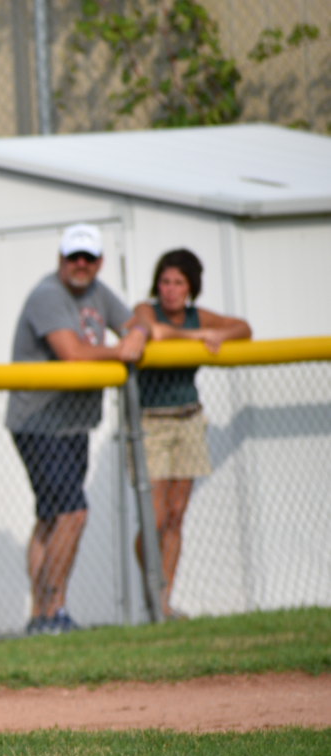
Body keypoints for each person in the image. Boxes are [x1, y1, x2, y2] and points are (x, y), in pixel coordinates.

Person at [6, 223, 148, 635]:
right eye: (74, 257)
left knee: (52, 516)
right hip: (39, 422)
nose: (81, 265)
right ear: (61, 260)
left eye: (88, 258)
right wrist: (121, 348)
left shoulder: (98, 292)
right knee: (73, 513)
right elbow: (71, 354)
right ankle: (53, 613)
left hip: (74, 424)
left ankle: (42, 616)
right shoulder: (48, 294)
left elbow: (135, 318)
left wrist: (137, 330)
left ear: (100, 262)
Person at [128, 249, 250, 620]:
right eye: (165, 281)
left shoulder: (198, 314)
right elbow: (159, 334)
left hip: (189, 419)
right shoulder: (146, 311)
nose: (170, 290)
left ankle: (163, 603)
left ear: (191, 286)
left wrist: (215, 331)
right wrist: (203, 336)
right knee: (155, 517)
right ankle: (153, 591)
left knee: (177, 515)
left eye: (179, 282)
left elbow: (243, 328)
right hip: (151, 421)